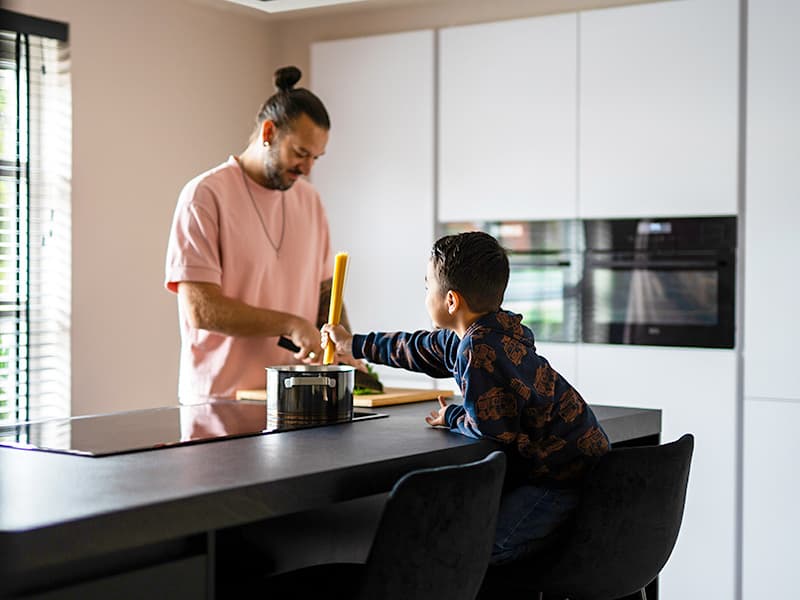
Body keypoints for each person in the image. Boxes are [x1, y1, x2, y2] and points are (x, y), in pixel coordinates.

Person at [322, 231, 611, 565]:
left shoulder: (478, 348)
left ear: (451, 301)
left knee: (477, 550)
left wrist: (453, 417)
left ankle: (554, 540)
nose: (425, 291)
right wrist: (354, 344)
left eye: (427, 284)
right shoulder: (490, 330)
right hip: (573, 465)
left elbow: (491, 429)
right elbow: (416, 348)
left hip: (563, 481)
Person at [165, 66, 349, 403]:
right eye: (300, 153)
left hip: (294, 397)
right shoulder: (204, 196)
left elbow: (326, 293)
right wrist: (291, 324)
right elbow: (201, 309)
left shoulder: (309, 200)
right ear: (269, 132)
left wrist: (346, 349)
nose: (307, 168)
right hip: (220, 402)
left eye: (316, 158)